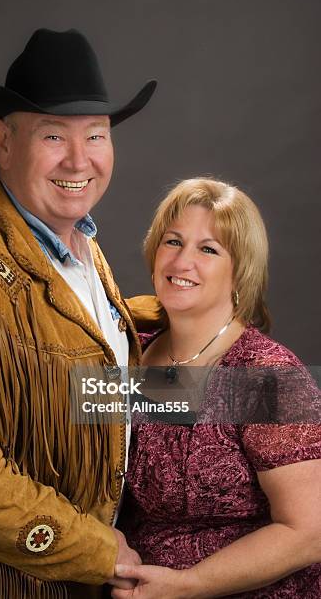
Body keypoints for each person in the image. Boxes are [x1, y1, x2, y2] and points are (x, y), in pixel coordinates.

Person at [0, 28, 158, 598]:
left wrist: (269, 389)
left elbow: (75, 373)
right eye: (54, 135)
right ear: (3, 140)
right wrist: (98, 550)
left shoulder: (73, 240)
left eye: (96, 135)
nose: (80, 160)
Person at [113, 178, 321, 598]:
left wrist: (188, 586)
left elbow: (309, 531)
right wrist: (108, 540)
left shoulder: (264, 376)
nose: (182, 261)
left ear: (239, 270)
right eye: (173, 242)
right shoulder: (132, 350)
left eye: (208, 249)